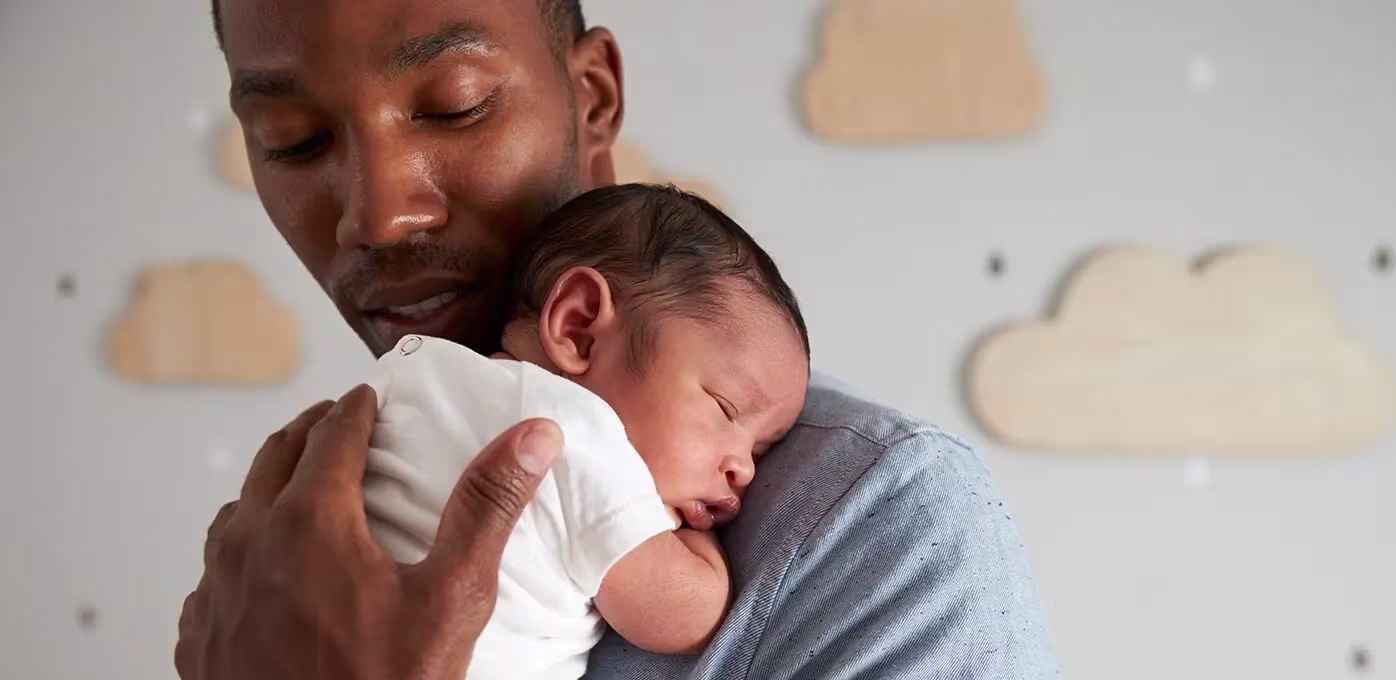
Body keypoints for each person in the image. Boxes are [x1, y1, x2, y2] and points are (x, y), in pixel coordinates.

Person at [176, 1, 1061, 678]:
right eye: (293, 142)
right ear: (574, 322)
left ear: (591, 97)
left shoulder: (879, 524)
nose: (377, 215)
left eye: (456, 105)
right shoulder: (295, 525)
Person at [363, 185, 810, 678]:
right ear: (578, 328)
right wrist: (687, 538)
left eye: (763, 449)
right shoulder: (577, 433)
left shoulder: (415, 374)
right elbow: (685, 618)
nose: (744, 467)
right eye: (726, 408)